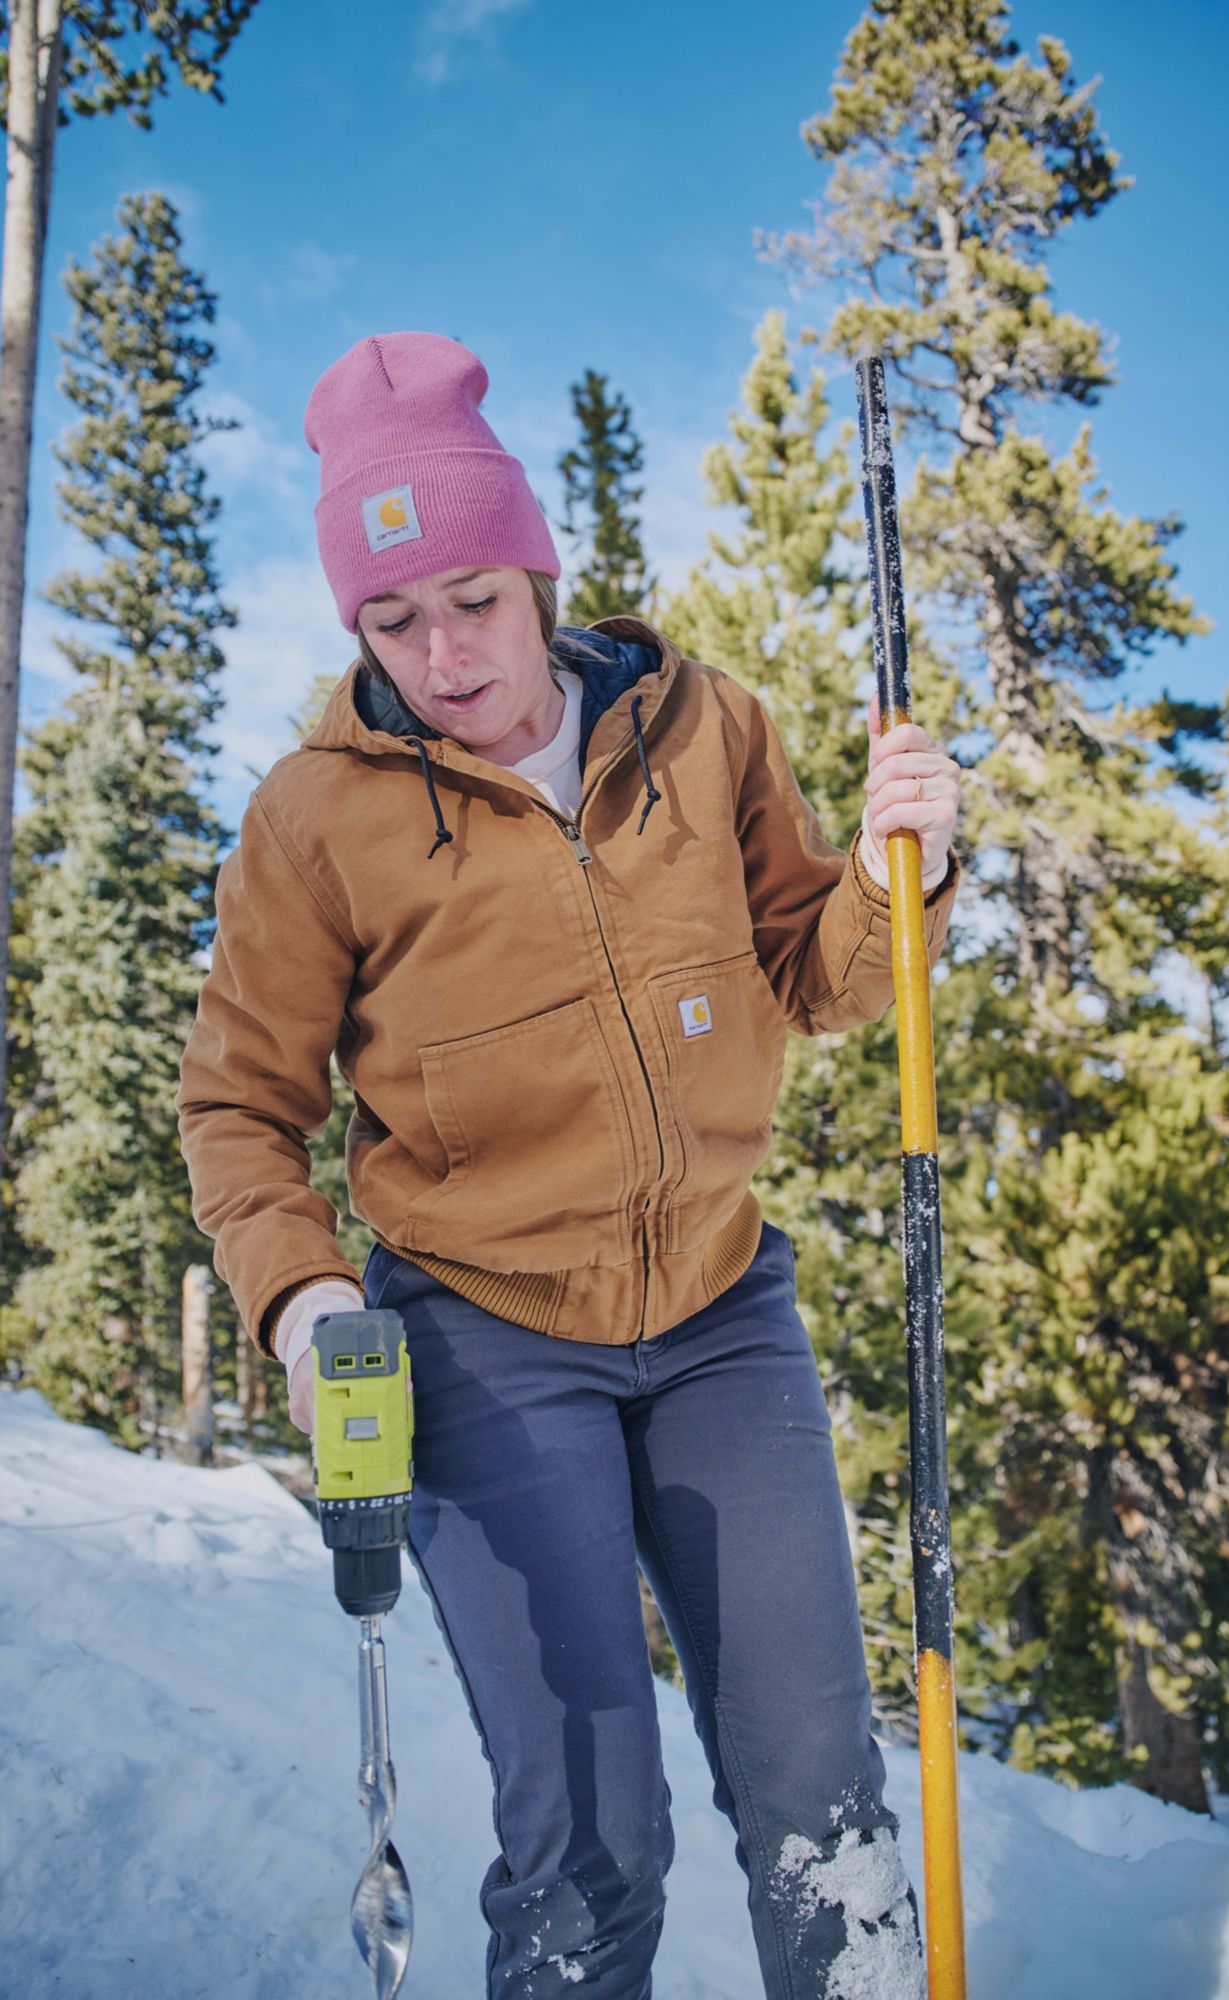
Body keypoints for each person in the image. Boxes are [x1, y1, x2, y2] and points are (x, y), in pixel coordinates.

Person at [175, 331, 962, 2000]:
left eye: (471, 596)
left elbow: (819, 978)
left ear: (534, 567)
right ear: (353, 626)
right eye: (394, 620)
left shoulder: (705, 728)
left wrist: (900, 874)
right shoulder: (318, 821)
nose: (445, 653)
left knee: (823, 1806)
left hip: (718, 1312)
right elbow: (237, 1107)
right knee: (592, 1845)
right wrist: (307, 1307)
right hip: (482, 1338)